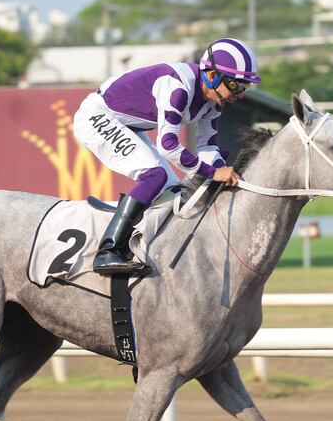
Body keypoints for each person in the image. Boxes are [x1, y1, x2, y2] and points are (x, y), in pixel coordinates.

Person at [72, 37, 259, 275]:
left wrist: (223, 174)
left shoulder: (214, 101)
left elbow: (208, 147)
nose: (240, 94)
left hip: (128, 125)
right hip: (96, 117)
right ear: (211, 75)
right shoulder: (178, 87)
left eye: (245, 87)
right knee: (155, 175)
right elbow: (168, 146)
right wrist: (212, 172)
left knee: (173, 192)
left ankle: (147, 247)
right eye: (235, 85)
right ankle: (108, 249)